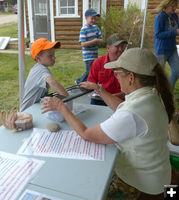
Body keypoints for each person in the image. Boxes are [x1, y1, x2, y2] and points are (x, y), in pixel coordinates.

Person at [41, 48, 175, 199]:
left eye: (117, 74)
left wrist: (61, 107)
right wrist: (99, 89)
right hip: (158, 175)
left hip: (141, 185)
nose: (116, 77)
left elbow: (87, 134)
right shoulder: (152, 94)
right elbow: (122, 108)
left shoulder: (132, 114)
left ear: (131, 77)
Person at [20, 38, 68, 111]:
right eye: (50, 55)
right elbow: (52, 82)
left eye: (54, 54)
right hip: (28, 111)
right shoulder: (40, 70)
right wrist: (68, 98)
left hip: (35, 107)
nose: (54, 57)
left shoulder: (39, 68)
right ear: (38, 58)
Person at [88, 33, 127, 106]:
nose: (121, 49)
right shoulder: (98, 62)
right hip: (102, 100)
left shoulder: (128, 64)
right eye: (117, 46)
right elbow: (91, 83)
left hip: (122, 101)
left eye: (122, 46)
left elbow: (134, 89)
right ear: (108, 48)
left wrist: (115, 96)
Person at [154, 0, 179, 91]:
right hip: (161, 51)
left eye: (175, 5)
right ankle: (157, 94)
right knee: (159, 77)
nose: (174, 8)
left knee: (177, 71)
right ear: (166, 6)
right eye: (172, 6)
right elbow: (158, 35)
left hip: (172, 49)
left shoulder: (175, 16)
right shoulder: (160, 17)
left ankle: (168, 92)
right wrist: (175, 32)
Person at [76, 8, 103, 84]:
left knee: (92, 70)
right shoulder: (84, 29)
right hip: (88, 55)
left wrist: (98, 41)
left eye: (95, 18)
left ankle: (81, 81)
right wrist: (94, 41)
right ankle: (82, 82)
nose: (94, 20)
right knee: (89, 71)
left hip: (95, 54)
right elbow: (83, 44)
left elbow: (101, 40)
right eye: (92, 18)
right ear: (86, 18)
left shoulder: (96, 28)